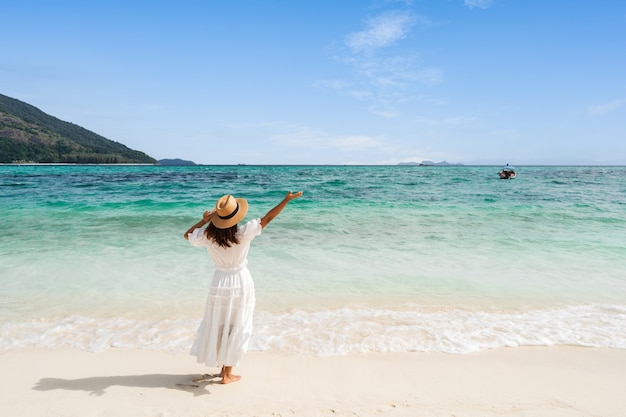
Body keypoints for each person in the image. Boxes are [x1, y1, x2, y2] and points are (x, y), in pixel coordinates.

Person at [184, 191, 303, 384]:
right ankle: (227, 373)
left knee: (220, 324)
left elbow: (187, 235)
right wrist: (286, 200)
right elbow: (269, 217)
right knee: (238, 324)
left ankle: (223, 367)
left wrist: (204, 220)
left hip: (219, 282)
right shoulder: (243, 233)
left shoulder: (208, 235)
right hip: (240, 281)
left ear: (217, 218)